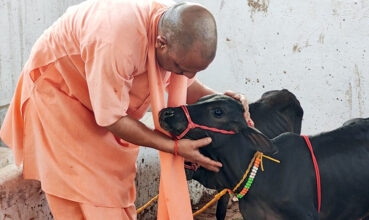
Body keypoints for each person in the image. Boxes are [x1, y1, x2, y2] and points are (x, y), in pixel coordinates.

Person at [0, 0, 251, 219]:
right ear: (161, 43)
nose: (185, 77)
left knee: (113, 195)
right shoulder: (116, 40)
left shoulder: (171, 29)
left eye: (193, 70)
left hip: (101, 101)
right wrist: (174, 147)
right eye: (180, 68)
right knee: (85, 194)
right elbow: (111, 118)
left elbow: (185, 80)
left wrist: (220, 100)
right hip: (62, 98)